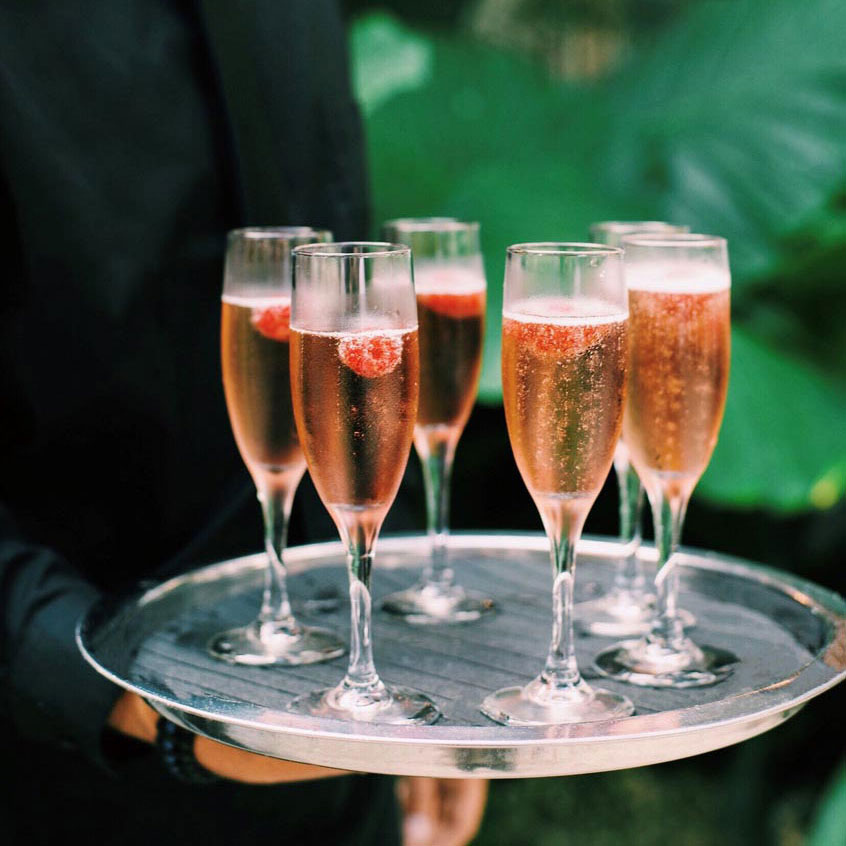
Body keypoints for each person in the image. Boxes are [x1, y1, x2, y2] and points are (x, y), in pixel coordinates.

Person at [0, 2, 487, 843]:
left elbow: (348, 304)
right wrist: (141, 708)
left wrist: (409, 651)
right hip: (67, 767)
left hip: (344, 772)